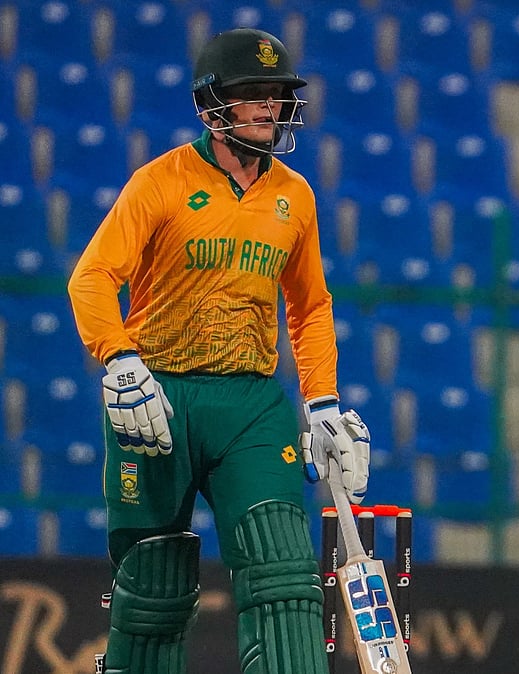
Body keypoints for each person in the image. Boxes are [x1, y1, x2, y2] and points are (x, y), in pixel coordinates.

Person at [67, 28, 371, 673]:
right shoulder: (160, 182)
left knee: (284, 574)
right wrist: (120, 360)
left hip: (251, 404)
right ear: (211, 105)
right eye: (251, 92)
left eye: (276, 93)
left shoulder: (295, 195)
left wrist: (322, 402)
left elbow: (310, 305)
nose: (268, 105)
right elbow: (91, 278)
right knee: (153, 589)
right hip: (158, 399)